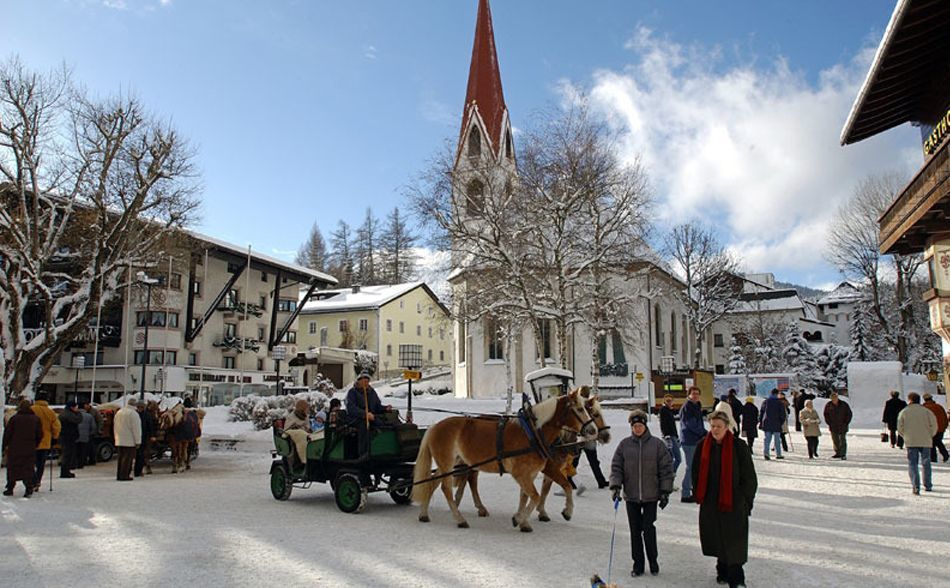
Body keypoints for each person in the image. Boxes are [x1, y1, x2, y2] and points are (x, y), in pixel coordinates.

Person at [692, 410, 757, 588]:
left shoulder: (738, 447)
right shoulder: (702, 446)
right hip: (711, 502)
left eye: (719, 427)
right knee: (717, 537)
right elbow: (696, 472)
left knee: (734, 540)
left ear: (727, 427)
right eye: (712, 426)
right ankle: (722, 569)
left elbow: (749, 477)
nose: (715, 430)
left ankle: (737, 578)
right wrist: (699, 493)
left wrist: (745, 500)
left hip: (733, 502)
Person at [609, 409, 674, 578]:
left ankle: (653, 560)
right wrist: (616, 486)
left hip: (651, 495)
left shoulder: (657, 445)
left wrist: (665, 491)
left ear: (645, 426)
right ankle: (638, 564)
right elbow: (616, 467)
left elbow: (666, 469)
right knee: (635, 531)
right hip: (631, 495)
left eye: (640, 426)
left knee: (648, 528)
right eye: (634, 426)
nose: (637, 429)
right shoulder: (624, 445)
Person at [897, 392, 937, 495]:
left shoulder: (904, 412)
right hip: (925, 440)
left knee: (913, 463)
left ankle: (915, 486)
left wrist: (905, 435)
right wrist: (930, 435)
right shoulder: (927, 411)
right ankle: (928, 484)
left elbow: (900, 427)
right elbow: (934, 425)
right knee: (926, 463)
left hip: (911, 440)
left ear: (910, 400)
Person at [345, 372, 392, 455]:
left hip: (371, 416)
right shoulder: (352, 392)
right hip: (356, 418)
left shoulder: (372, 392)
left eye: (367, 381)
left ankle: (382, 448)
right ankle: (363, 452)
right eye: (364, 381)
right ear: (359, 381)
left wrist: (385, 408)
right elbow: (351, 408)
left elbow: (377, 406)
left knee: (385, 422)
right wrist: (365, 414)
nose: (366, 383)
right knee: (363, 425)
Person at [3, 400, 42, 498]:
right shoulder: (36, 419)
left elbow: (7, 434)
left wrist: (4, 445)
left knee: (12, 467)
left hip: (15, 447)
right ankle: (28, 488)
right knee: (27, 468)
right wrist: (35, 444)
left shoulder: (14, 419)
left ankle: (10, 488)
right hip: (29, 447)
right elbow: (39, 434)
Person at [679, 386, 706, 503]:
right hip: (689, 440)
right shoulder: (688, 407)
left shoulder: (695, 406)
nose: (695, 395)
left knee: (695, 467)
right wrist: (704, 433)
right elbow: (691, 424)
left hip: (695, 440)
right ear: (689, 394)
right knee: (691, 467)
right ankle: (685, 493)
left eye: (697, 393)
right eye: (693, 393)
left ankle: (692, 489)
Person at [31, 391, 61, 492]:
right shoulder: (50, 412)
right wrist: (54, 437)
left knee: (30, 463)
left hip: (32, 441)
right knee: (41, 464)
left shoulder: (31, 410)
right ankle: (37, 481)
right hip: (45, 441)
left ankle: (32, 479)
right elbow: (56, 427)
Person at [113, 398, 142, 481]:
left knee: (120, 458)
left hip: (119, 439)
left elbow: (114, 425)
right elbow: (136, 429)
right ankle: (125, 475)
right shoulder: (133, 414)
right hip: (129, 441)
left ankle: (119, 474)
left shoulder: (119, 412)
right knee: (127, 459)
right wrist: (138, 441)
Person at [823, 393, 853, 460]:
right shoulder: (828, 405)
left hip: (843, 425)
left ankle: (843, 454)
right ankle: (838, 453)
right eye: (832, 398)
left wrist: (846, 422)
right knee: (835, 440)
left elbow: (849, 414)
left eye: (835, 397)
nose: (834, 399)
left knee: (842, 440)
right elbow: (826, 415)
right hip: (833, 426)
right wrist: (829, 423)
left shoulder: (844, 404)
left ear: (837, 397)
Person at [759, 389, 786, 460]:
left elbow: (761, 413)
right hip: (777, 423)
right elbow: (783, 414)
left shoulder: (766, 402)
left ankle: (766, 453)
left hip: (767, 423)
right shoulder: (779, 403)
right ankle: (778, 454)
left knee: (767, 440)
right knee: (777, 440)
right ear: (777, 394)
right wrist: (781, 422)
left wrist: (761, 422)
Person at [659, 394, 682, 477]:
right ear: (664, 401)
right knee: (677, 458)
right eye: (667, 401)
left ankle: (669, 478)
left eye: (670, 401)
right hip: (669, 437)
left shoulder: (669, 410)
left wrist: (677, 437)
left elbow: (673, 426)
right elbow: (663, 424)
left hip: (673, 436)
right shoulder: (663, 410)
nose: (669, 402)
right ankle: (670, 476)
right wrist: (666, 435)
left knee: (671, 458)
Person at [58, 400, 82, 479]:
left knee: (66, 454)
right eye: (76, 407)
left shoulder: (64, 413)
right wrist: (78, 413)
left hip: (65, 436)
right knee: (67, 454)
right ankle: (65, 472)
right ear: (72, 407)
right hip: (68, 436)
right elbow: (78, 420)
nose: (77, 408)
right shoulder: (68, 414)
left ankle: (65, 470)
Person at [922, 393, 949, 463]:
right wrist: (945, 426)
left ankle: (934, 458)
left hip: (929, 429)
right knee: (938, 442)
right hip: (940, 429)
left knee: (932, 444)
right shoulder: (939, 407)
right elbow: (945, 417)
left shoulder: (923, 408)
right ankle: (945, 454)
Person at [134, 401, 158, 477]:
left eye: (141, 407)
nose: (140, 408)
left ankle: (138, 471)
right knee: (137, 454)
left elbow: (150, 425)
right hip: (136, 436)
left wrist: (152, 435)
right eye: (139, 407)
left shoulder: (146, 415)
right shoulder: (135, 414)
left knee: (141, 454)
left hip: (143, 437)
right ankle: (136, 470)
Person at [76, 404, 97, 469]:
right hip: (85, 436)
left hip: (75, 436)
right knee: (83, 450)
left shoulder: (74, 415)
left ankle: (75, 463)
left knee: (76, 450)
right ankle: (82, 463)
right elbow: (93, 427)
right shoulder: (89, 416)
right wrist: (90, 434)